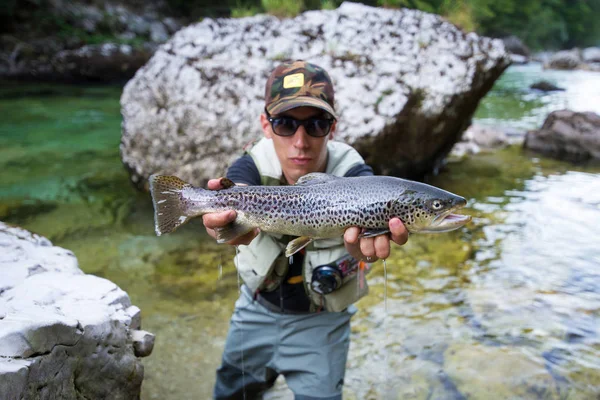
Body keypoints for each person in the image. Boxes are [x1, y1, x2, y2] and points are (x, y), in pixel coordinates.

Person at [203, 60, 409, 399]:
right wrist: (222, 226)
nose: (300, 141)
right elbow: (235, 191)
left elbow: (375, 197)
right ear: (265, 125)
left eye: (316, 124)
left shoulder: (356, 173)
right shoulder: (250, 164)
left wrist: (366, 248)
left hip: (323, 322)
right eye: (285, 124)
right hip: (255, 309)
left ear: (333, 127)